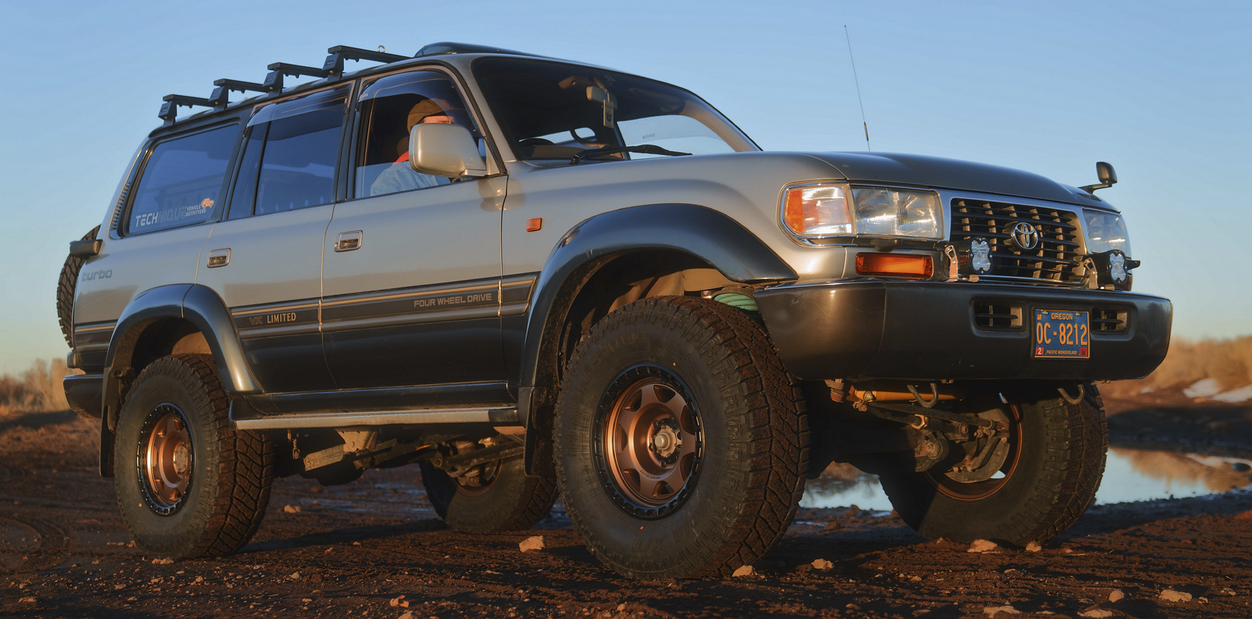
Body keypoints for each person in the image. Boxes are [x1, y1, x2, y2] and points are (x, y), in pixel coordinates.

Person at [369, 98, 458, 196]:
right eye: (442, 124)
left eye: (454, 124)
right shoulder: (394, 181)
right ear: (418, 132)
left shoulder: (471, 167)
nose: (452, 130)